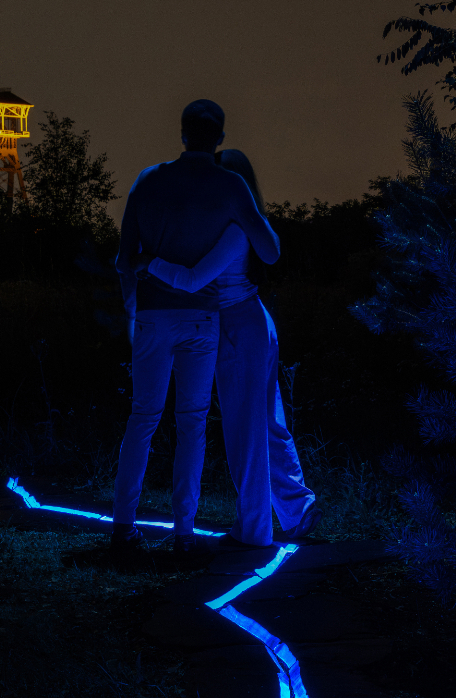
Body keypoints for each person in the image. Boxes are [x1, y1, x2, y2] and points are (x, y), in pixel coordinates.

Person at [110, 99, 280, 553]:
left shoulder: (148, 181)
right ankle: (182, 533)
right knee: (192, 425)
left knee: (142, 419)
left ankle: (123, 527)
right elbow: (270, 251)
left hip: (150, 315)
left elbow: (124, 260)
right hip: (203, 318)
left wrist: (133, 309)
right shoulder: (230, 186)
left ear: (181, 133)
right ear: (220, 138)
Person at [140, 149, 320, 546]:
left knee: (246, 434)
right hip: (251, 323)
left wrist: (148, 262)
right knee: (266, 425)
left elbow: (191, 279)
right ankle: (296, 506)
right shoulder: (244, 224)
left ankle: (255, 531)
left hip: (239, 327)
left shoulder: (235, 229)